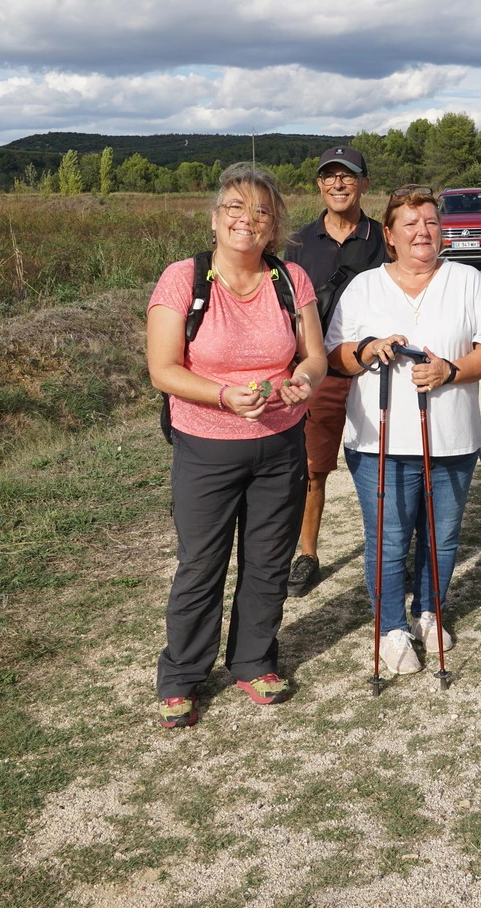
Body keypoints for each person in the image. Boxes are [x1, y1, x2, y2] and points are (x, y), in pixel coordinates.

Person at [146, 163, 328, 722]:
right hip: (206, 446)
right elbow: (162, 370)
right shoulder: (183, 279)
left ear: (274, 227)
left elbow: (315, 356)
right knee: (201, 563)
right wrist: (223, 397)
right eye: (235, 208)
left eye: (261, 211)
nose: (247, 220)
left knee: (269, 561)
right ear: (214, 218)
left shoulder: (289, 279)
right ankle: (182, 675)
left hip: (280, 444)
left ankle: (254, 662)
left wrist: (305, 382)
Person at [327, 186, 481, 674]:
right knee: (389, 539)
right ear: (389, 235)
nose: (422, 232)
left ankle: (428, 611)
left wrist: (449, 371)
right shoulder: (364, 286)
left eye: (430, 222)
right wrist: (367, 349)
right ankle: (391, 627)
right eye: (409, 224)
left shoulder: (467, 280)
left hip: (451, 437)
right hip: (379, 441)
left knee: (441, 537)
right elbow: (335, 356)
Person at [286, 145, 389, 597]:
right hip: (320, 369)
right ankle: (306, 553)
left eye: (347, 175)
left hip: (377, 370)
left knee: (386, 463)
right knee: (313, 468)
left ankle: (389, 550)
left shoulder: (385, 239)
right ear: (319, 185)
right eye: (329, 176)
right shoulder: (298, 244)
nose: (338, 183)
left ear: (364, 183)